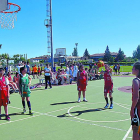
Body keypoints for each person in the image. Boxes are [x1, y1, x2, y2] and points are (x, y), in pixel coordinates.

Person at [131, 62, 140, 140]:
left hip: (138, 109)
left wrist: (132, 109)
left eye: (133, 68)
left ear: (137, 70)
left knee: (135, 130)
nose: (132, 69)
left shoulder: (136, 80)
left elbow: (136, 97)